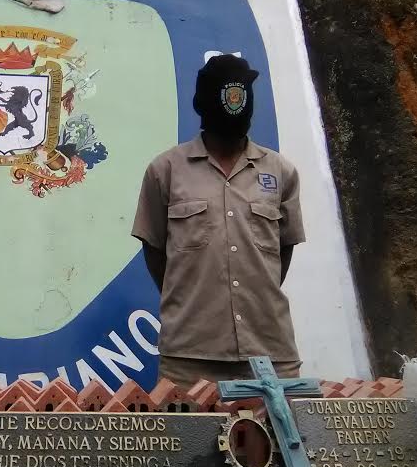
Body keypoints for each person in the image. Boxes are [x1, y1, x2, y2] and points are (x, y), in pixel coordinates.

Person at [131, 54, 305, 386]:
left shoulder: (281, 172)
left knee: (280, 437)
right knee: (189, 439)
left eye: (241, 95)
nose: (235, 104)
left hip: (270, 354)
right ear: (205, 102)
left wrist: (255, 294)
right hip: (188, 359)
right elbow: (154, 250)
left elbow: (283, 250)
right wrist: (190, 298)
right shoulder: (166, 171)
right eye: (227, 94)